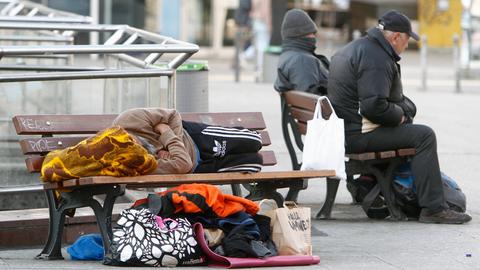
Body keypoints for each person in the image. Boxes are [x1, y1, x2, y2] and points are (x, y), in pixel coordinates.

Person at [327, 10, 471, 224]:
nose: (406, 46)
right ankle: (433, 208)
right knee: (424, 135)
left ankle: (372, 184)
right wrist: (400, 116)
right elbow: (374, 106)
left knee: (413, 131)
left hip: (345, 130)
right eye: (406, 40)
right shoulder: (376, 57)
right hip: (358, 135)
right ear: (395, 37)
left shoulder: (357, 47)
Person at [112, 108, 263, 174]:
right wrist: (164, 133)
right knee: (255, 162)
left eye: (132, 141)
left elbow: (172, 115)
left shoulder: (129, 119)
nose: (137, 146)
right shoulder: (134, 162)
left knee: (254, 140)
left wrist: (167, 143)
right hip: (195, 168)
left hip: (193, 137)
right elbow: (183, 165)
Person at [274, 8, 329, 95]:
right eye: (311, 33)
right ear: (300, 35)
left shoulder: (287, 56)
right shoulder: (302, 60)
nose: (313, 37)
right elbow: (311, 97)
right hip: (327, 107)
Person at [242, 0, 272, 80]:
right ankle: (259, 67)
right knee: (263, 47)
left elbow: (252, 9)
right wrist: (269, 25)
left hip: (255, 21)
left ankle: (245, 56)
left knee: (258, 46)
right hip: (262, 23)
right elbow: (265, 12)